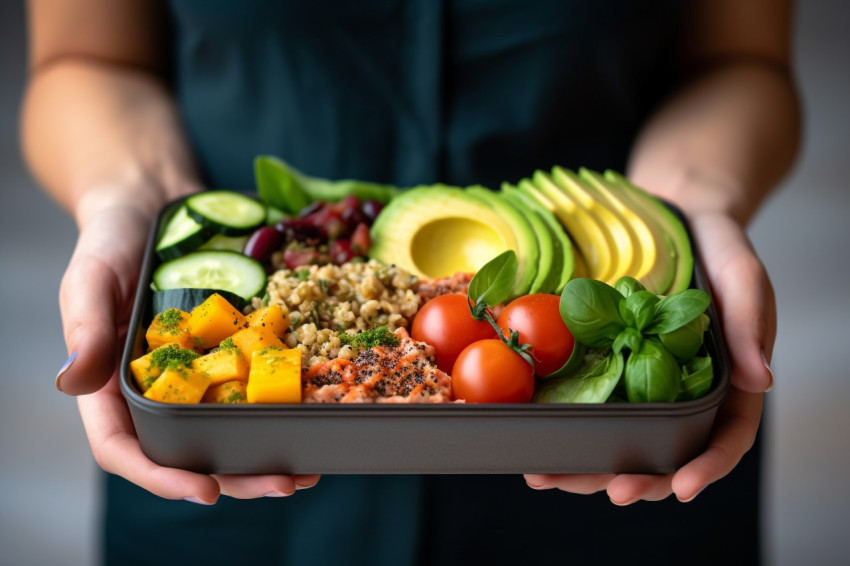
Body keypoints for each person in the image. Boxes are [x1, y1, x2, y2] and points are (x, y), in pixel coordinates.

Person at [22, 0, 800, 564]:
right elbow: (86, 59)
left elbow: (740, 61)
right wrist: (127, 196)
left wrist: (693, 202)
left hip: (610, 475)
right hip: (227, 485)